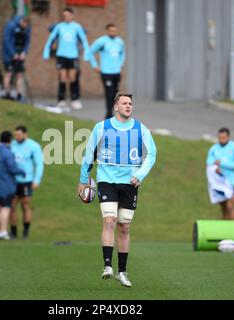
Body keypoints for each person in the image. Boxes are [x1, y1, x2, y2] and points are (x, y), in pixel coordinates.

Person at [77, 93, 157, 287]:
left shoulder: (141, 129)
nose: (128, 106)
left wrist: (140, 174)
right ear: (116, 106)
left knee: (125, 226)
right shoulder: (102, 127)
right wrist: (83, 180)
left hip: (130, 183)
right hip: (107, 180)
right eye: (124, 103)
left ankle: (122, 272)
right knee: (110, 220)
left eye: (130, 103)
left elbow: (152, 154)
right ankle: (107, 266)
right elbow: (89, 154)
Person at [43, 7, 90, 111]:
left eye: (68, 15)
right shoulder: (59, 27)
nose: (66, 17)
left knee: (73, 77)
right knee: (63, 77)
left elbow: (84, 41)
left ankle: (75, 99)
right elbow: (51, 39)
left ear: (72, 16)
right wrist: (46, 52)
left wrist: (87, 54)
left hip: (73, 56)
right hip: (61, 55)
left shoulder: (77, 27)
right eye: (64, 16)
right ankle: (61, 100)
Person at [10, 125, 44, 239]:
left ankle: (26, 231)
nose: (17, 137)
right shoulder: (12, 145)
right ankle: (13, 232)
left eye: (19, 135)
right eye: (15, 135)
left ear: (25, 134)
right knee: (12, 206)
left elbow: (39, 164)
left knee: (25, 205)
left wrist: (36, 180)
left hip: (26, 181)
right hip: (13, 181)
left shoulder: (33, 146)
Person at [0, 131, 25, 240]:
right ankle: (3, 232)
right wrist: (22, 172)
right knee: (5, 208)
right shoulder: (7, 152)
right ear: (9, 139)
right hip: (5, 183)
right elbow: (12, 168)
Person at [206, 128, 234, 220]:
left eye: (223, 138)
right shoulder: (214, 149)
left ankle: (231, 230)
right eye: (219, 138)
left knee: (230, 206)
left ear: (228, 137)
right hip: (219, 183)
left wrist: (222, 163)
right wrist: (215, 168)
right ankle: (225, 231)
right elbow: (209, 162)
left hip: (233, 182)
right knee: (223, 208)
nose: (221, 140)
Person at [90, 23, 126, 119]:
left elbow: (122, 54)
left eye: (114, 31)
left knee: (115, 94)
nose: (113, 32)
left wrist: (120, 65)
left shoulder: (120, 42)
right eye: (111, 31)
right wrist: (95, 65)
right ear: (107, 31)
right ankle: (109, 114)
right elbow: (91, 52)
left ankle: (112, 112)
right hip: (106, 72)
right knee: (109, 94)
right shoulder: (101, 41)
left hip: (116, 72)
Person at [1, 15, 31, 101]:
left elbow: (27, 41)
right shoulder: (10, 25)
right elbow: (6, 40)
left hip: (20, 55)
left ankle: (19, 95)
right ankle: (7, 94)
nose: (26, 27)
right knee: (9, 73)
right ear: (22, 21)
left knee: (19, 74)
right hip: (8, 55)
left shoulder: (27, 28)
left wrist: (24, 52)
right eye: (25, 25)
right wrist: (13, 53)